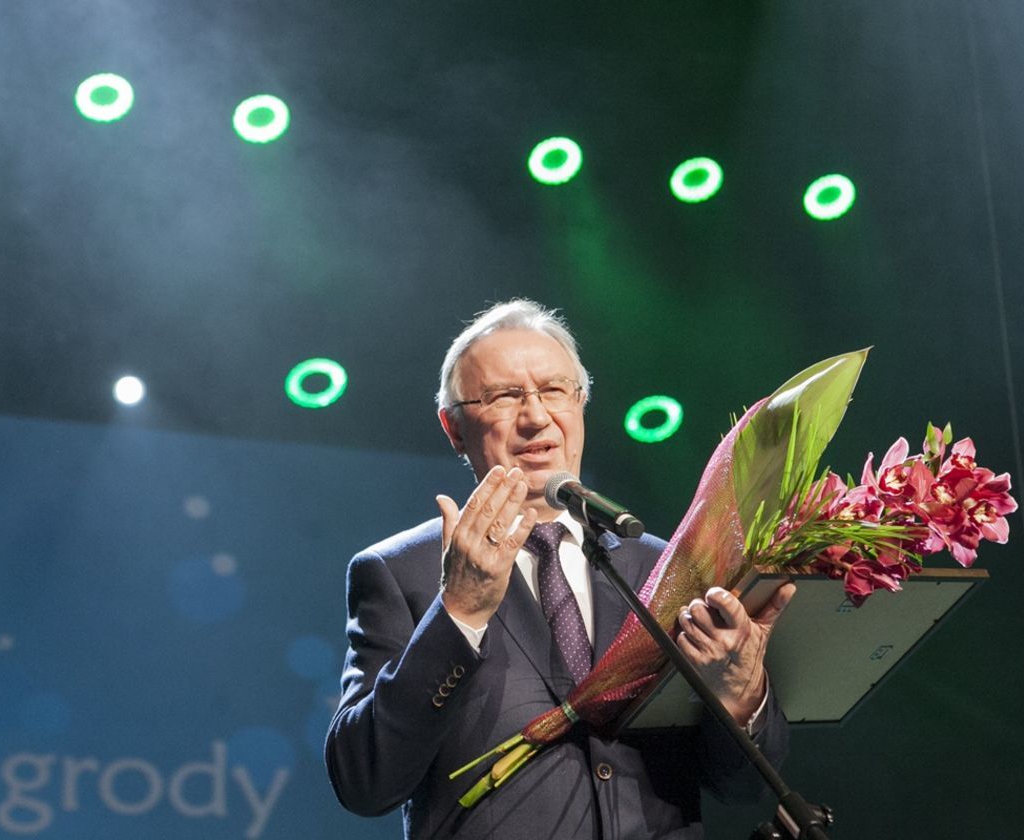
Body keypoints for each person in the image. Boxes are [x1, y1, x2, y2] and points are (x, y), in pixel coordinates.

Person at [325, 300, 796, 839]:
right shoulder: (400, 571)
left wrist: (738, 692)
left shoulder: (663, 566)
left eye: (553, 391)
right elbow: (365, 781)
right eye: (504, 396)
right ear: (454, 428)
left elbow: (743, 787)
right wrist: (458, 614)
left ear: (580, 404)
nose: (535, 417)